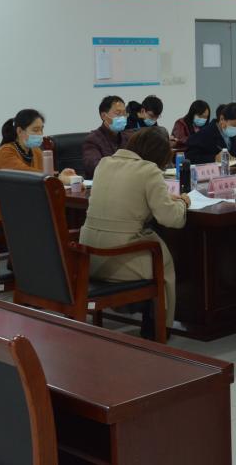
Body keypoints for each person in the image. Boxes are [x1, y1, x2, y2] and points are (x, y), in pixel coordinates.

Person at [81, 127, 189, 337]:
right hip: (119, 258)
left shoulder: (104, 163)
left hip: (89, 255)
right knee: (163, 260)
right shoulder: (149, 171)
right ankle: (157, 326)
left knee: (155, 248)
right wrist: (183, 203)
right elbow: (171, 218)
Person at [0, 109, 75, 221]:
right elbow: (27, 176)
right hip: (6, 212)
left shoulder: (36, 151)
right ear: (20, 131)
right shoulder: (6, 151)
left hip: (31, 205)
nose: (40, 134)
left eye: (41, 129)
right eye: (35, 130)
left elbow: (45, 175)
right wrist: (58, 178)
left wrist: (61, 175)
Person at [83, 95, 129, 179]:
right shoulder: (92, 140)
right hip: (103, 183)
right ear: (104, 116)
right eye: (118, 113)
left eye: (124, 113)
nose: (122, 117)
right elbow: (95, 167)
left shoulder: (128, 138)